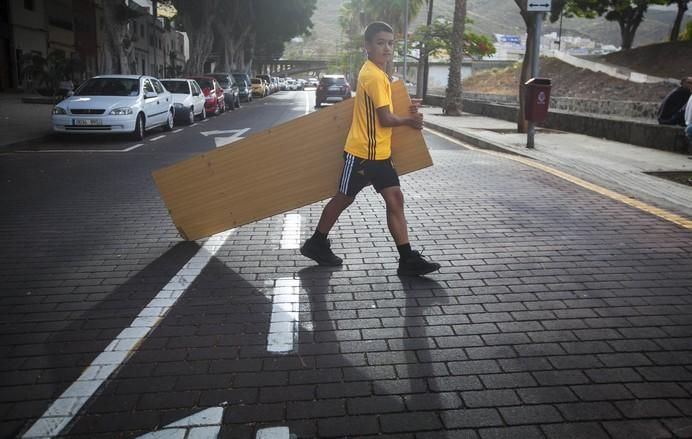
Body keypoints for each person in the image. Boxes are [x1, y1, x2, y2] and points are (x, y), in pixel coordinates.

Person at [300, 21, 441, 276]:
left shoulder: (378, 73)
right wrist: (410, 120)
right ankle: (316, 243)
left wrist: (408, 107)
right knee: (344, 198)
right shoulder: (374, 75)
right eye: (380, 43)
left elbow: (384, 112)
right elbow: (385, 119)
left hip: (380, 154)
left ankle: (407, 259)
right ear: (367, 46)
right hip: (363, 154)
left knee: (394, 198)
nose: (387, 48)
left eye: (390, 43)